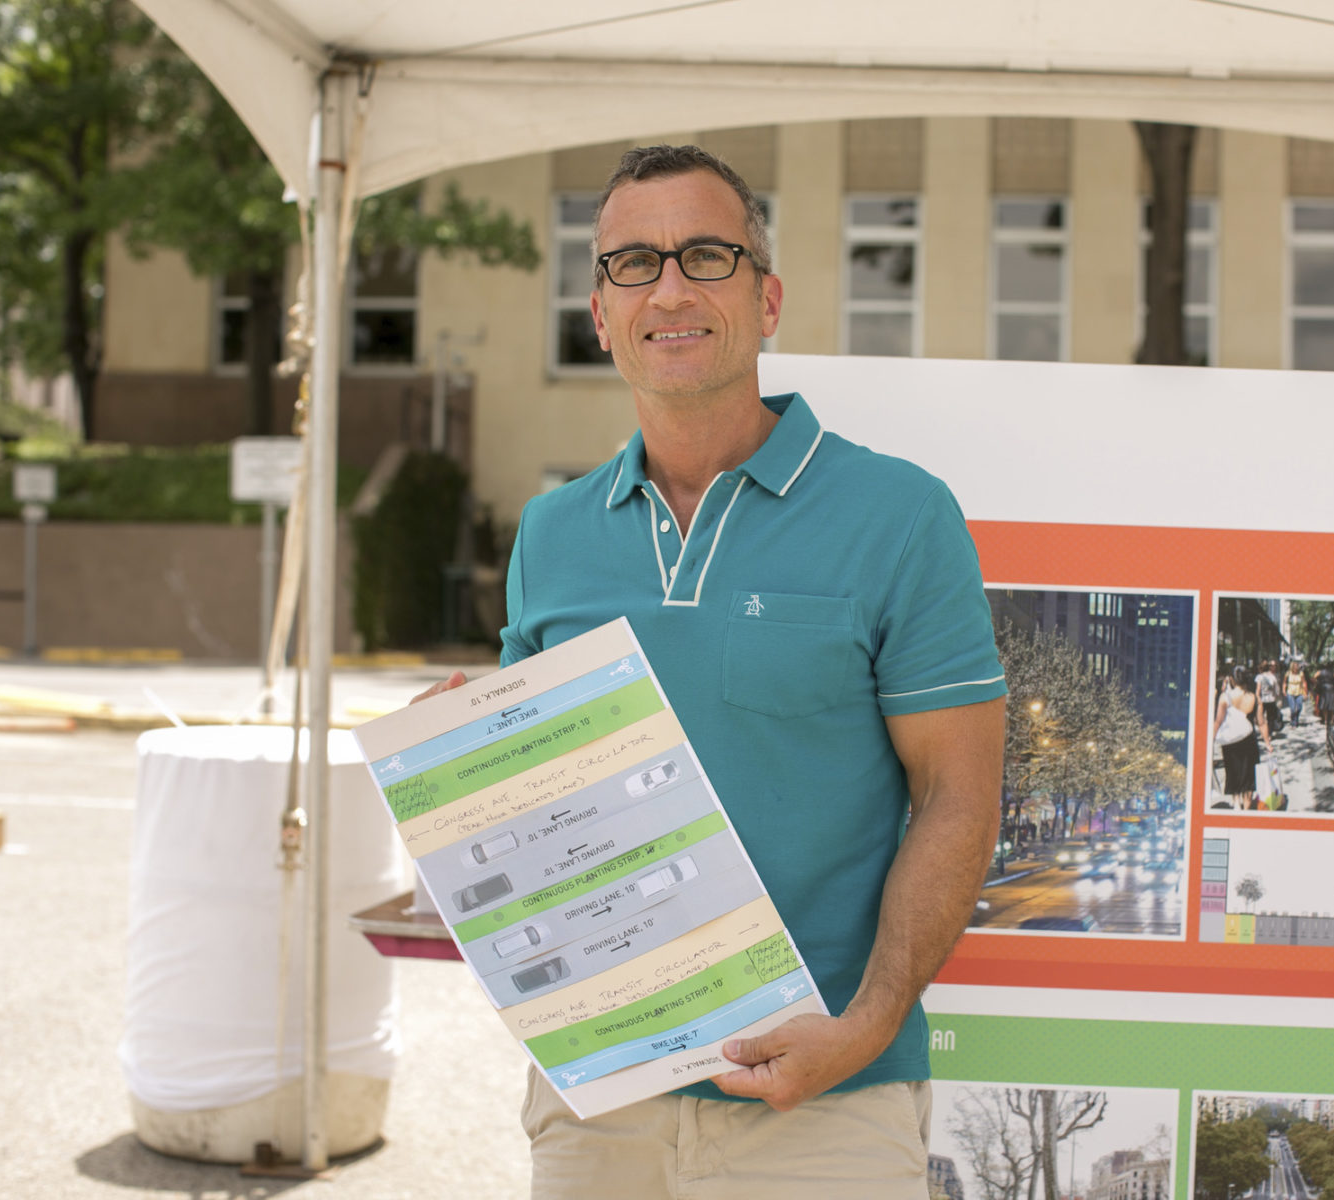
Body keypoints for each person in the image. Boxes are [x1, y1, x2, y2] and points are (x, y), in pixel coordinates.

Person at [413, 145, 1007, 1200]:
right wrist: (456, 760)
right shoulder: (551, 533)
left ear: (766, 298)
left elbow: (959, 798)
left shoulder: (904, 517)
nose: (670, 288)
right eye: (634, 264)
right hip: (600, 1102)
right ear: (599, 313)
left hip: (826, 1098)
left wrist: (864, 1028)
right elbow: (534, 809)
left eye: (705, 255)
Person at [1215, 665, 1272, 810]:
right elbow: (1261, 723)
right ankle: (1246, 809)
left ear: (1232, 680)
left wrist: (1210, 739)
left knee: (1233, 771)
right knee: (1248, 776)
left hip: (1230, 742)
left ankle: (1236, 803)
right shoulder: (1255, 698)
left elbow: (1218, 721)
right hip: (1249, 742)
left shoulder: (1225, 697)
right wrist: (1267, 743)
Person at [1255, 660, 1283, 735]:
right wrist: (1278, 697)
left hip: (1262, 700)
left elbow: (1258, 690)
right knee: (1270, 718)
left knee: (1259, 717)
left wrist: (1258, 698)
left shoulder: (1259, 677)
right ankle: (1269, 734)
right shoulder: (1273, 677)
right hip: (1272, 700)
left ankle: (1264, 731)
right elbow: (1277, 690)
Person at [1284, 659, 1308, 726]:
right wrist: (1283, 690)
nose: (1296, 667)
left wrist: (1305, 692)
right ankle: (1294, 722)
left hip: (1299, 692)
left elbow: (1304, 683)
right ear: (1292, 667)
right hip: (1290, 692)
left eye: (1297, 666)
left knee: (1299, 707)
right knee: (1293, 708)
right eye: (1294, 666)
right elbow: (1284, 683)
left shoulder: (1301, 673)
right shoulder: (1288, 673)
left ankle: (1295, 718)